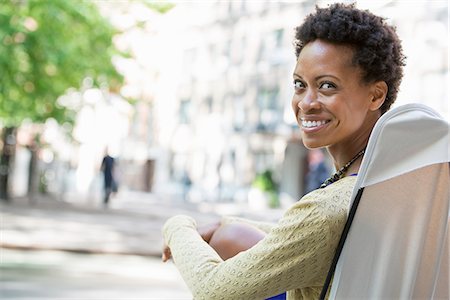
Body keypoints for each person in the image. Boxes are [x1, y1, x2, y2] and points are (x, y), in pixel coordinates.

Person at [162, 3, 405, 299]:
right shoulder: (398, 180)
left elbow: (214, 290)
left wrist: (177, 228)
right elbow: (307, 236)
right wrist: (230, 223)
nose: (306, 102)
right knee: (231, 235)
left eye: (327, 86)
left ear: (376, 95)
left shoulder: (327, 210)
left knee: (228, 243)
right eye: (299, 85)